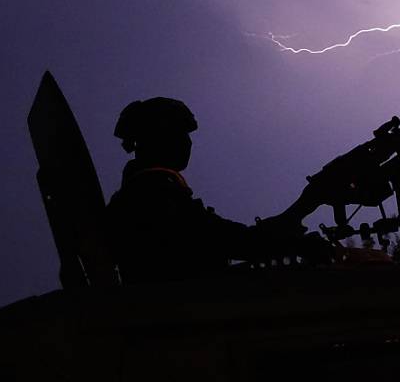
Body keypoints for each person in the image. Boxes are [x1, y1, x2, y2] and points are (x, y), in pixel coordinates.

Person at [106, 97, 328, 284]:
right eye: (181, 134)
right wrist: (296, 245)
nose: (188, 143)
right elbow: (220, 238)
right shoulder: (152, 192)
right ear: (161, 137)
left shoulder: (146, 188)